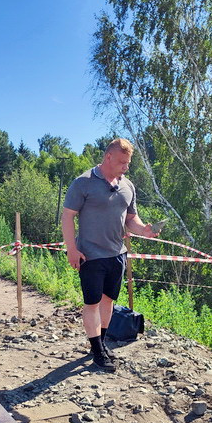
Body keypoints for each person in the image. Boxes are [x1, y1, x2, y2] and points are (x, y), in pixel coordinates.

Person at [61, 138, 160, 371]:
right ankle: (97, 352)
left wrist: (144, 230)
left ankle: (101, 343)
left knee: (108, 301)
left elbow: (131, 219)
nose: (126, 167)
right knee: (92, 303)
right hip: (90, 255)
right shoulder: (83, 182)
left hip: (117, 254)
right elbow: (67, 216)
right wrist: (72, 249)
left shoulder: (128, 186)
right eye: (122, 162)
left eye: (128, 163)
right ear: (108, 157)